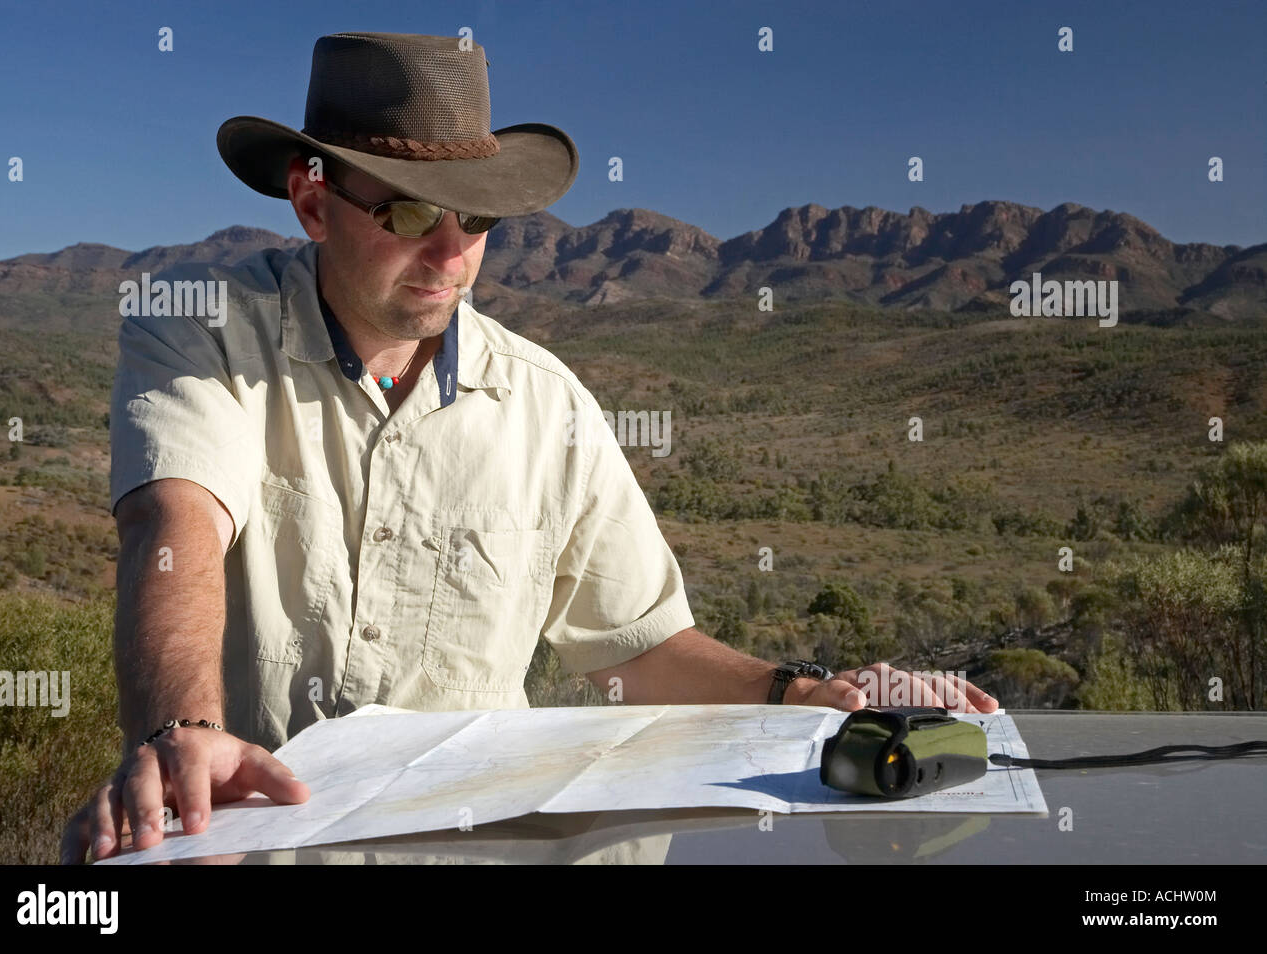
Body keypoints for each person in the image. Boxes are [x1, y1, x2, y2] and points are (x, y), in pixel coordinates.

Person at [61, 32, 998, 865]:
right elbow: (174, 523)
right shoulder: (207, 331)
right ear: (314, 201)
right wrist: (182, 730)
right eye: (412, 214)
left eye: (477, 220)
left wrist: (806, 695)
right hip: (241, 845)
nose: (452, 254)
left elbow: (640, 651)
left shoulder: (547, 406)